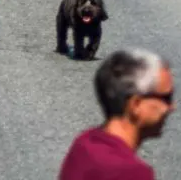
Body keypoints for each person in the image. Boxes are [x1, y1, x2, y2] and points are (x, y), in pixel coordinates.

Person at [59, 49, 174, 179]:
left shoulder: (85, 141)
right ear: (136, 104)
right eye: (167, 98)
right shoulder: (130, 172)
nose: (172, 107)